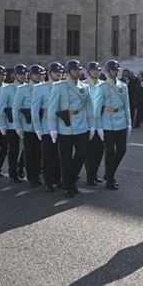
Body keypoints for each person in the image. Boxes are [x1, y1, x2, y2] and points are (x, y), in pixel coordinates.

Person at [48, 59, 94, 198]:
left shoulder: (85, 87)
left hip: (81, 126)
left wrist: (92, 125)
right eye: (75, 70)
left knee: (82, 154)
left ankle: (70, 179)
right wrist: (53, 128)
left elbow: (89, 108)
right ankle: (68, 186)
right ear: (68, 72)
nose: (78, 72)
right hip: (64, 127)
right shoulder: (59, 86)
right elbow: (52, 108)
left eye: (79, 69)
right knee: (66, 159)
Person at [94, 60, 132, 190]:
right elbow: (97, 109)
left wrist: (129, 123)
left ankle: (109, 172)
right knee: (110, 152)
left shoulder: (123, 86)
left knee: (122, 150)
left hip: (120, 121)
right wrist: (98, 126)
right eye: (113, 70)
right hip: (107, 123)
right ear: (108, 71)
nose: (116, 72)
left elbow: (127, 106)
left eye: (117, 70)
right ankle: (110, 179)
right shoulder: (102, 87)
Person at [33, 62, 64, 192]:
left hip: (61, 125)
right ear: (49, 73)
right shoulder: (41, 88)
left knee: (59, 155)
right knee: (48, 155)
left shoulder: (64, 87)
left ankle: (57, 179)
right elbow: (34, 110)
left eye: (60, 72)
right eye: (56, 72)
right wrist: (38, 128)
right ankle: (48, 180)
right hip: (46, 126)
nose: (58, 74)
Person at [14, 64, 44, 188]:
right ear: (31, 75)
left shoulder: (46, 88)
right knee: (30, 153)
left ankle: (36, 174)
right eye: (36, 74)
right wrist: (18, 126)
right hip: (28, 126)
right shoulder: (23, 89)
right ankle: (31, 177)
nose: (39, 76)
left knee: (39, 153)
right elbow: (16, 109)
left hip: (43, 126)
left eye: (41, 74)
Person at [0, 64, 28, 182]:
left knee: (28, 148)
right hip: (11, 124)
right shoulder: (7, 89)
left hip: (26, 122)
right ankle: (12, 172)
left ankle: (21, 166)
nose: (23, 76)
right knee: (13, 148)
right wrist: (1, 124)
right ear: (14, 75)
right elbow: (1, 107)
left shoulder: (29, 88)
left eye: (25, 74)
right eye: (20, 74)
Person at [83, 62, 106, 186]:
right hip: (88, 123)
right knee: (89, 151)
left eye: (98, 70)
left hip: (102, 123)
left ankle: (95, 173)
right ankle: (89, 175)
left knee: (100, 150)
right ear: (88, 71)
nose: (96, 72)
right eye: (94, 70)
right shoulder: (83, 85)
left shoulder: (104, 85)